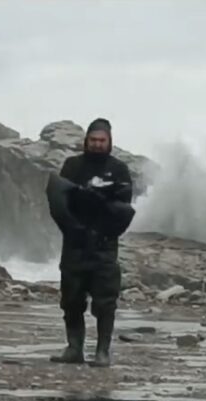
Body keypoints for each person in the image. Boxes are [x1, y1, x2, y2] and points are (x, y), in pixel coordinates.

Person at [46, 118, 134, 368]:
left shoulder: (118, 170)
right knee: (71, 299)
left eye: (101, 141)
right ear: (86, 141)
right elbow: (59, 201)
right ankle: (74, 348)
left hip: (104, 245)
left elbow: (124, 206)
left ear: (109, 142)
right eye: (93, 140)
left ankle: (102, 352)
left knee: (105, 300)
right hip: (74, 243)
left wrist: (100, 211)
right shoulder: (72, 166)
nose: (97, 145)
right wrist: (73, 227)